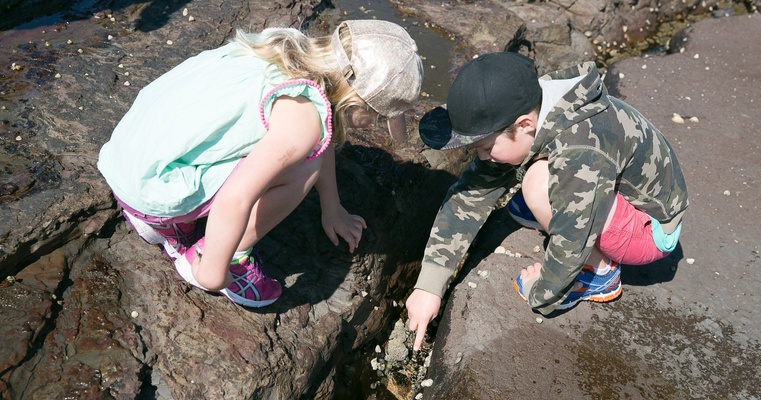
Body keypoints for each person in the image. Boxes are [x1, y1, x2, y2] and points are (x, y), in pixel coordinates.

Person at [97, 20, 424, 308]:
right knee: (304, 168)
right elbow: (237, 197)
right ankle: (224, 255)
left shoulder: (281, 43)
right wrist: (213, 270)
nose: (370, 124)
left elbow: (320, 128)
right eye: (376, 117)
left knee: (297, 151)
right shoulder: (303, 121)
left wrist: (332, 208)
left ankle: (166, 222)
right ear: (357, 103)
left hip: (130, 160)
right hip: (155, 194)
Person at [406, 52, 688, 350]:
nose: (481, 156)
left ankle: (599, 274)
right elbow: (471, 194)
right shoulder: (538, 103)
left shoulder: (581, 150)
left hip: (650, 230)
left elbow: (572, 235)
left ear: (525, 124)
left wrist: (544, 293)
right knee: (536, 181)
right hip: (608, 191)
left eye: (486, 147)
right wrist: (430, 285)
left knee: (537, 184)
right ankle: (547, 202)